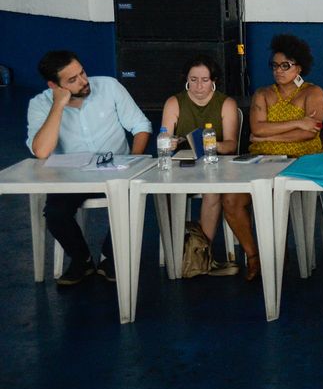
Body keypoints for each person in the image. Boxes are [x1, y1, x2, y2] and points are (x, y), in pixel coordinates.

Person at [27, 50, 152, 285]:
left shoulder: (109, 87)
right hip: (71, 177)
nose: (83, 81)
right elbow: (41, 151)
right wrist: (58, 106)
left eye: (82, 72)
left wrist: (134, 162)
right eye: (72, 80)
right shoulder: (39, 104)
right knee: (55, 213)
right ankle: (81, 260)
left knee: (135, 199)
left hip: (117, 170)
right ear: (54, 86)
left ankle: (110, 256)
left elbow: (140, 125)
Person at [234, 34, 323, 280]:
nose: (279, 71)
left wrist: (268, 137)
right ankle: (254, 255)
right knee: (231, 200)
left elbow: (310, 135)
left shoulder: (313, 92)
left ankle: (277, 253)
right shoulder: (262, 94)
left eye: (285, 65)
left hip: (299, 161)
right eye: (275, 65)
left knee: (273, 194)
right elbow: (257, 129)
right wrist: (298, 122)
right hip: (261, 161)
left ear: (299, 67)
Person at [159, 54, 241, 276]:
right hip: (183, 164)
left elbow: (231, 145)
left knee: (212, 192)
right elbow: (164, 138)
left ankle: (202, 254)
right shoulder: (174, 102)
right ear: (186, 79)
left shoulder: (226, 103)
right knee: (162, 191)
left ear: (213, 80)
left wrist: (208, 144)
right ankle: (175, 251)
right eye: (193, 79)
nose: (198, 85)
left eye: (204, 80)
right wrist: (172, 141)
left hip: (216, 165)